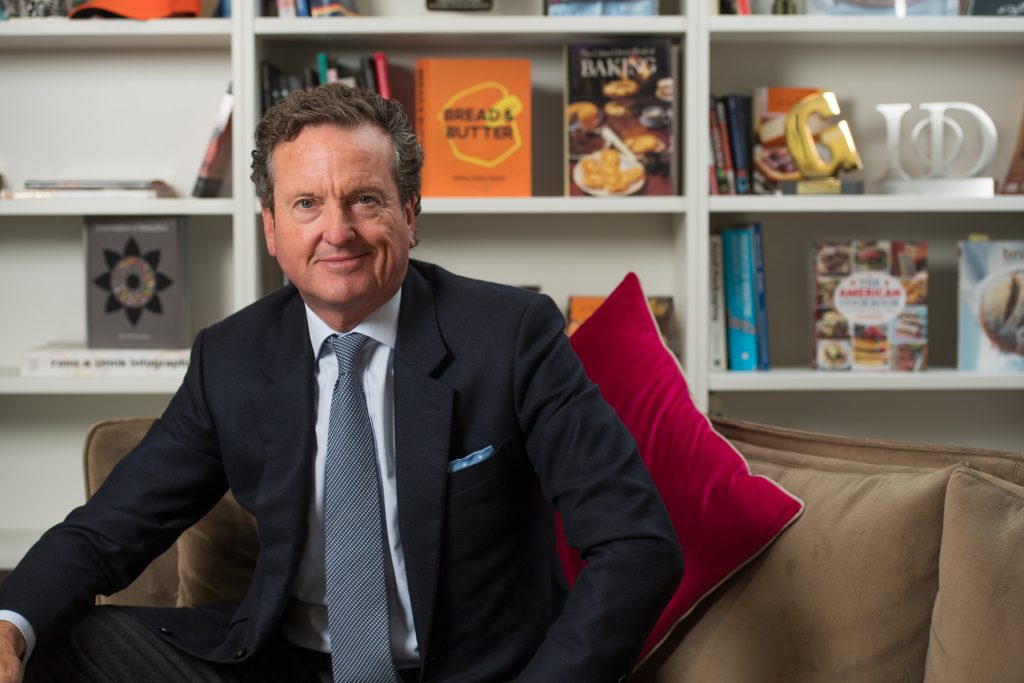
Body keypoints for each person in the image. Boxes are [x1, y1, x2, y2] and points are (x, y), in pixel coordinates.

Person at [0, 84, 682, 683]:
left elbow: (636, 544)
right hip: (286, 665)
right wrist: (10, 625)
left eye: (364, 199)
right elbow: (106, 532)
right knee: (56, 643)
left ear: (409, 213)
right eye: (305, 204)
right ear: (271, 228)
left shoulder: (510, 336)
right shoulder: (230, 357)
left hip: (470, 670)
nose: (337, 231)